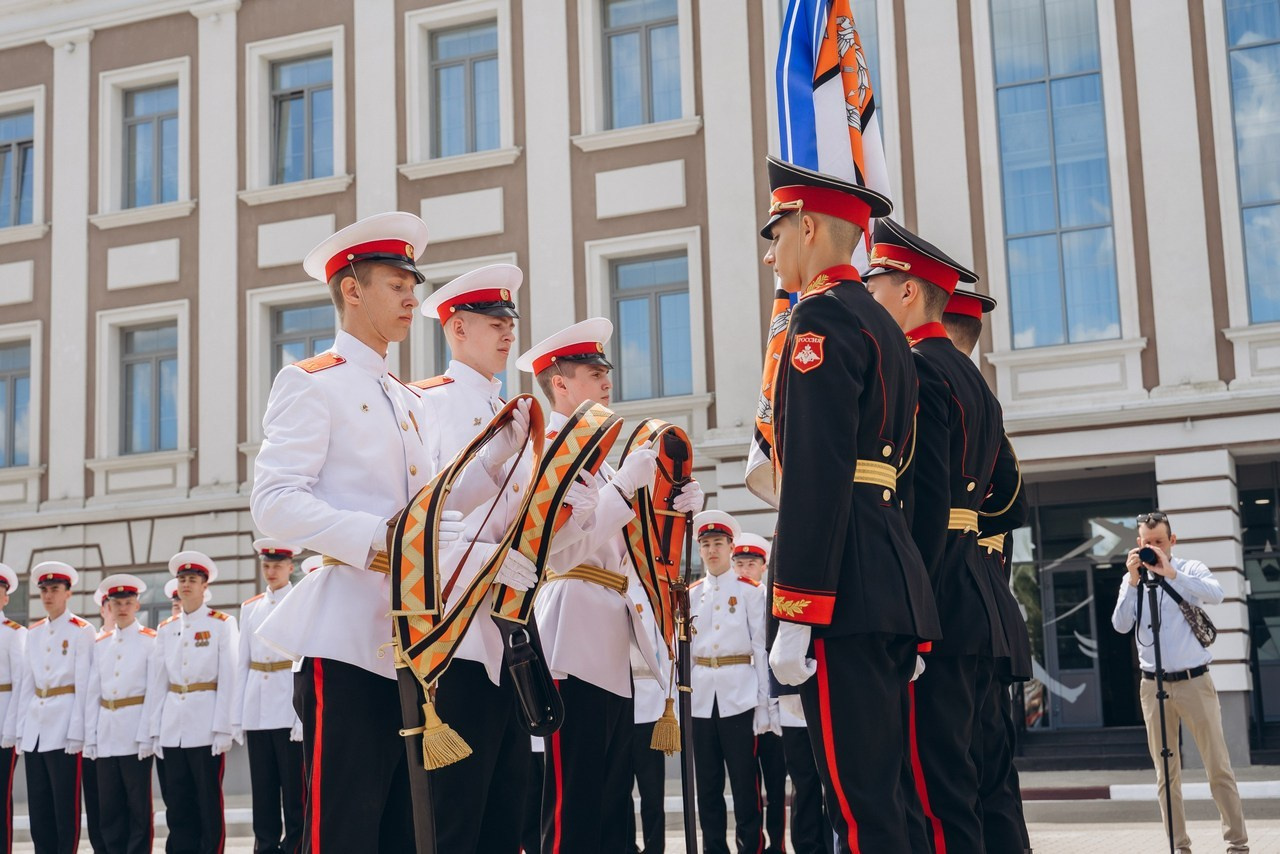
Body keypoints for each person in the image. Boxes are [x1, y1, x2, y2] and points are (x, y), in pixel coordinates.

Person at [251, 212, 533, 852]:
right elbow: (274, 504)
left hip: (414, 639)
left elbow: (428, 511)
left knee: (408, 832)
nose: (412, 299)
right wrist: (383, 540)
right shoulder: (311, 381)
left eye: (412, 286)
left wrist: (493, 459)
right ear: (353, 290)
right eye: (397, 286)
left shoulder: (406, 399)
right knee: (341, 829)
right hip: (348, 634)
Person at [761, 156, 940, 853]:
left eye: (778, 234)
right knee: (893, 800)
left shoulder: (819, 320)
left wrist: (795, 609)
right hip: (889, 586)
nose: (772, 254)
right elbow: (910, 482)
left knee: (858, 808)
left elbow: (815, 470)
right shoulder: (888, 330)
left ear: (808, 227)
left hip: (842, 594)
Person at [517, 318, 704, 853]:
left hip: (608, 627)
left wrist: (673, 511)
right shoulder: (551, 451)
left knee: (611, 798)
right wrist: (624, 488)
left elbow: (632, 549)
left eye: (605, 371)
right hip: (570, 626)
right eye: (592, 373)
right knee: (574, 796)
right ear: (559, 383)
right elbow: (560, 549)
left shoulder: (595, 460)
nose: (606, 381)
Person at [863, 217, 1015, 853]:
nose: (868, 299)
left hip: (941, 597)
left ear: (907, 291)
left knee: (937, 787)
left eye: (875, 286)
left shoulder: (919, 368)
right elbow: (1005, 492)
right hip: (978, 589)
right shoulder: (973, 377)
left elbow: (920, 502)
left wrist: (910, 605)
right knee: (984, 777)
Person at [944, 287, 1034, 853]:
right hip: (990, 615)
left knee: (958, 775)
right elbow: (1014, 502)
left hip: (956, 609)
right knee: (993, 771)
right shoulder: (987, 407)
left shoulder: (943, 393)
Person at [1111, 511, 1248, 854]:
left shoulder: (1189, 569)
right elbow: (1120, 625)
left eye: (1159, 541)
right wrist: (1132, 581)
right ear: (1138, 543)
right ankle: (1179, 846)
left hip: (1194, 681)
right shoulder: (1133, 580)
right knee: (1165, 773)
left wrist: (1170, 573)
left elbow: (1216, 594)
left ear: (1172, 541)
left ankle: (1237, 844)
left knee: (1218, 766)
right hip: (1151, 685)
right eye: (1147, 542)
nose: (1153, 548)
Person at [690, 510, 770, 854]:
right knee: (707, 787)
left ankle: (750, 847)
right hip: (701, 699)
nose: (712, 550)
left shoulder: (750, 592)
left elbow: (760, 649)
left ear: (730, 547)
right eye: (706, 544)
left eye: (718, 544)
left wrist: (765, 705)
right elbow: (682, 654)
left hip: (740, 695)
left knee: (744, 783)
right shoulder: (690, 594)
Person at [147, 551, 238, 854]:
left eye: (193, 579)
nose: (186, 584)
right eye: (182, 579)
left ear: (204, 586)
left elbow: (228, 678)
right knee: (177, 802)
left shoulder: (221, 624)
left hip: (205, 725)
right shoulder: (166, 628)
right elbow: (158, 683)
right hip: (173, 726)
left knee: (207, 801)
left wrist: (224, 728)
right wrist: (155, 730)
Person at [16, 561, 94, 854]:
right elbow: (26, 684)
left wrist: (78, 731)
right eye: (44, 590)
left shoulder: (81, 630)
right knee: (39, 806)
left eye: (55, 589)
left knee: (65, 805)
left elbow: (84, 686)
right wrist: (21, 729)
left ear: (68, 593)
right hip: (36, 727)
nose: (48, 595)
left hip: (64, 725)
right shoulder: (34, 632)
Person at [234, 539, 304, 854]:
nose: (271, 571)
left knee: (294, 790)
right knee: (262, 790)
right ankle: (264, 846)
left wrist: (301, 717)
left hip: (287, 706)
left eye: (277, 565)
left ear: (290, 567)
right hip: (257, 707)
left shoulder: (300, 600)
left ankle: (295, 846)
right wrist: (237, 717)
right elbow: (242, 663)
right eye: (266, 565)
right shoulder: (250, 607)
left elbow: (303, 658)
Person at [85, 574, 156, 854]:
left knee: (138, 806)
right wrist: (91, 736)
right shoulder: (100, 644)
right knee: (109, 806)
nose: (122, 608)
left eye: (127, 602)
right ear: (109, 607)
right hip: (107, 732)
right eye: (117, 603)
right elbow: (93, 693)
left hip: (134, 730)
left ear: (137, 605)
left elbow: (153, 692)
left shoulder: (150, 640)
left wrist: (147, 734)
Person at [733, 534, 786, 854]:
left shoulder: (769, 599)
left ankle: (776, 845)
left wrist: (773, 703)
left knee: (777, 783)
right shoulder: (731, 600)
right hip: (745, 703)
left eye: (751, 564)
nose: (744, 570)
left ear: (764, 567)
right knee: (747, 782)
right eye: (739, 564)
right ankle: (753, 844)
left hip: (773, 703)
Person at [0, 564, 27, 854]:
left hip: (3, 728)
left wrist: (12, 729)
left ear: (6, 598)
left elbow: (21, 684)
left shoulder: (14, 634)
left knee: (1, 799)